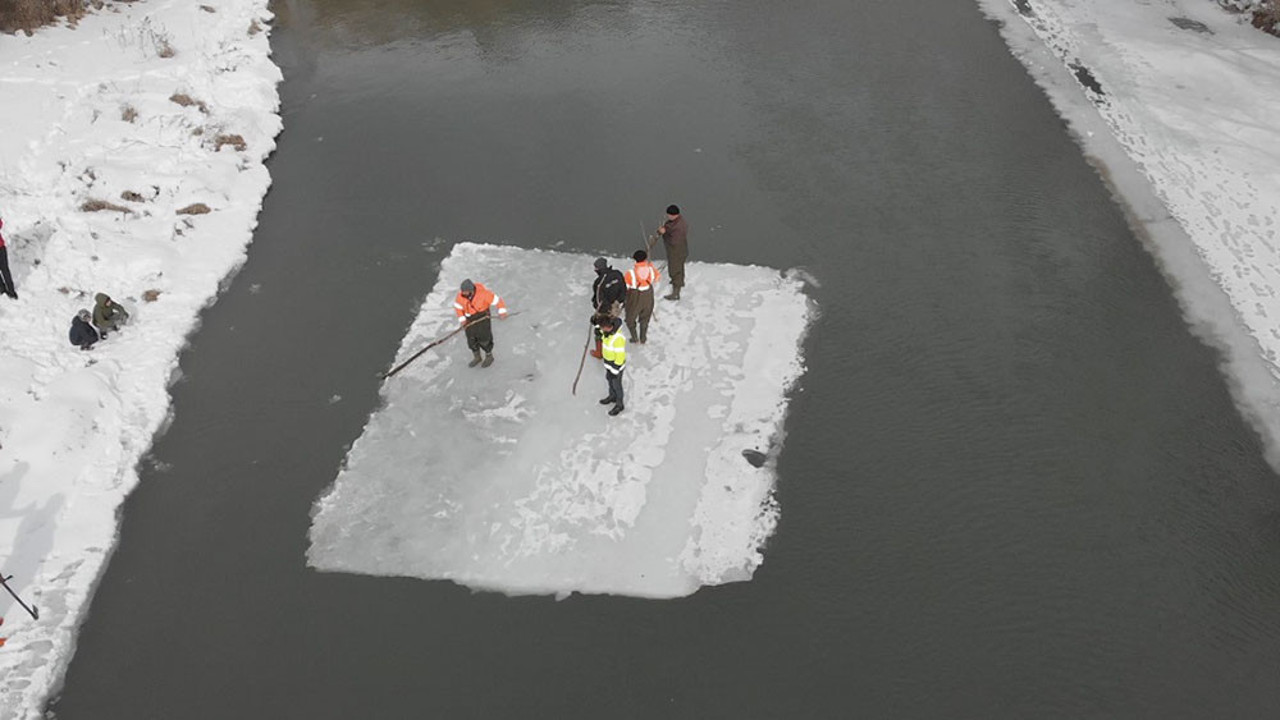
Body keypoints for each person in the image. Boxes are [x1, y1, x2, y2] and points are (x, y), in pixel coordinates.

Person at [454, 278, 508, 368]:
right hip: (469, 320)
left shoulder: (484, 294)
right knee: (471, 339)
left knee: (484, 338)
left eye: (465, 292)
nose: (463, 293)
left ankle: (489, 356)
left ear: (471, 290)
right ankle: (477, 357)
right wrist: (462, 319)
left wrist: (502, 312)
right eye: (462, 291)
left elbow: (498, 301)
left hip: (482, 317)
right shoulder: (460, 297)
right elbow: (458, 308)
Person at [590, 257, 625, 358]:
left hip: (604, 309)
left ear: (598, 269)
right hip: (616, 306)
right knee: (613, 324)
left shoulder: (599, 282)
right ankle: (613, 343)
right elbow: (623, 289)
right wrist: (618, 302)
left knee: (599, 330)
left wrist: (597, 312)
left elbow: (598, 300)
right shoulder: (617, 274)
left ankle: (599, 352)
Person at [623, 249, 660, 343]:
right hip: (648, 294)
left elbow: (626, 287)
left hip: (635, 296)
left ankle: (634, 337)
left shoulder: (630, 273)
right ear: (645, 259)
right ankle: (643, 338)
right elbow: (657, 278)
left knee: (630, 318)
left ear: (635, 260)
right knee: (645, 317)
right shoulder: (651, 269)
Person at [656, 204, 687, 300]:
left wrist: (664, 232)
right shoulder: (677, 222)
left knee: (675, 269)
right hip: (680, 250)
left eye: (669, 215)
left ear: (675, 215)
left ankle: (676, 291)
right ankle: (679, 281)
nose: (668, 216)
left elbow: (674, 241)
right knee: (679, 267)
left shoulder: (678, 226)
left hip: (676, 251)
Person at [597, 314, 626, 416]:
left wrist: (615, 370)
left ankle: (619, 404)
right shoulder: (607, 332)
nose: (601, 329)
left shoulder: (618, 338)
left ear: (608, 327)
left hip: (616, 366)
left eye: (602, 327)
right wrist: (596, 325)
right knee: (609, 381)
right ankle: (612, 396)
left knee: (617, 385)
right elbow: (601, 331)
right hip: (608, 364)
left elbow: (620, 356)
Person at [0, 215, 16, 300]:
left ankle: (8, 290)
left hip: (1, 247)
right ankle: (8, 290)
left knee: (5, 270)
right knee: (5, 270)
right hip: (1, 247)